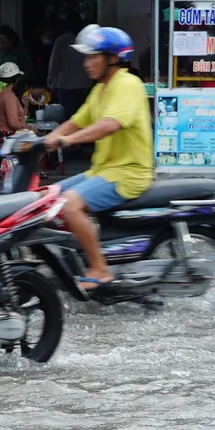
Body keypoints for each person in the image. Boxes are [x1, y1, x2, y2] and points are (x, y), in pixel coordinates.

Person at [42, 25, 152, 292]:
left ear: (112, 59)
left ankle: (100, 268)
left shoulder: (127, 84)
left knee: (69, 204)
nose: (86, 63)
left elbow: (109, 124)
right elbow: (77, 121)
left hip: (128, 172)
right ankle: (74, 255)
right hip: (102, 170)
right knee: (44, 197)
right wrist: (42, 141)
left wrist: (67, 141)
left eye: (93, 57)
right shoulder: (100, 89)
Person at [47, 21, 94, 119]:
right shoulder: (88, 40)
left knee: (68, 116)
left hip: (66, 86)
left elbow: (54, 64)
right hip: (84, 84)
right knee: (84, 116)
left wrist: (51, 81)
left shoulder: (61, 40)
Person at [0, 62, 32, 146]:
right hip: (6, 136)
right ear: (15, 80)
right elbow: (13, 123)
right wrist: (29, 128)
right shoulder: (9, 97)